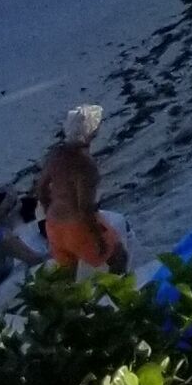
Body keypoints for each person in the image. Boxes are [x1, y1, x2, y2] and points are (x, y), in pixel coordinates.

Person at [34, 107, 128, 273]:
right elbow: (85, 206)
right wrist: (99, 238)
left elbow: (41, 189)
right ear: (92, 132)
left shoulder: (55, 155)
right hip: (76, 225)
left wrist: (50, 212)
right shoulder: (86, 165)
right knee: (118, 255)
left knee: (67, 274)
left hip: (54, 225)